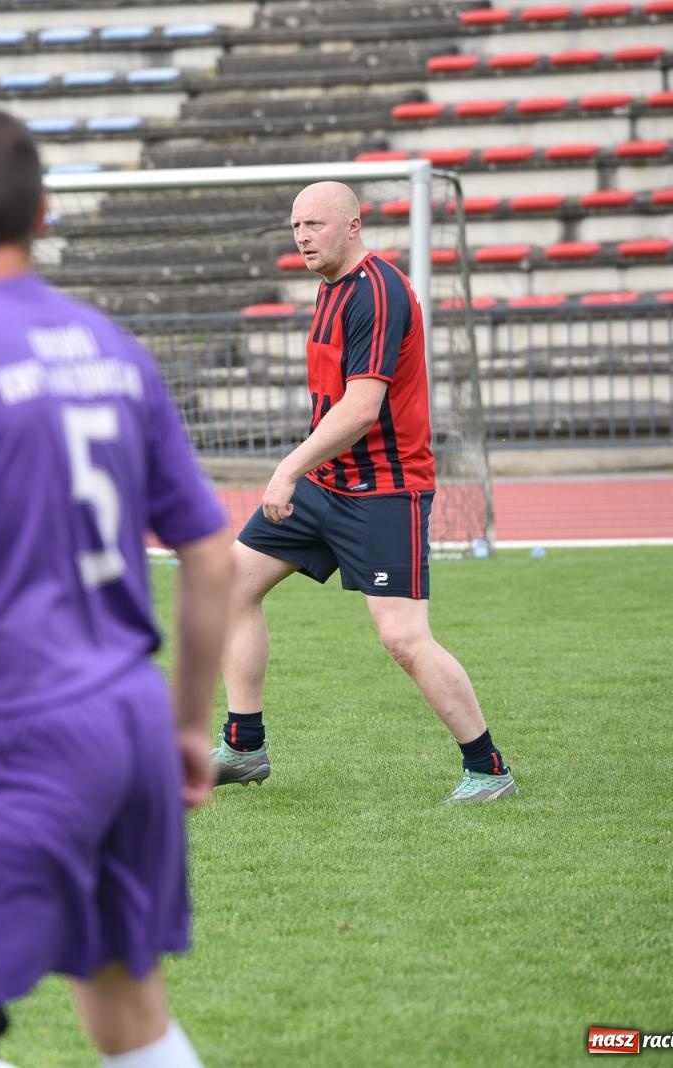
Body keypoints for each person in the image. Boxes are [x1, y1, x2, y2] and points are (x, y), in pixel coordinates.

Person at [0, 102, 233, 1068]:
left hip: (11, 735)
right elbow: (209, 552)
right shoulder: (113, 350)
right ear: (44, 212)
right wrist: (191, 726)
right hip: (129, 721)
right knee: (125, 1002)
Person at [210, 181, 516, 804]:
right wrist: (306, 471)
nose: (302, 236)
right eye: (296, 225)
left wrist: (287, 468)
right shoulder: (330, 287)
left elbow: (360, 406)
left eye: (315, 224)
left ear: (353, 226)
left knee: (403, 637)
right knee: (227, 588)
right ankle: (244, 749)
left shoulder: (377, 291)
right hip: (328, 483)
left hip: (383, 489)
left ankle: (488, 769)